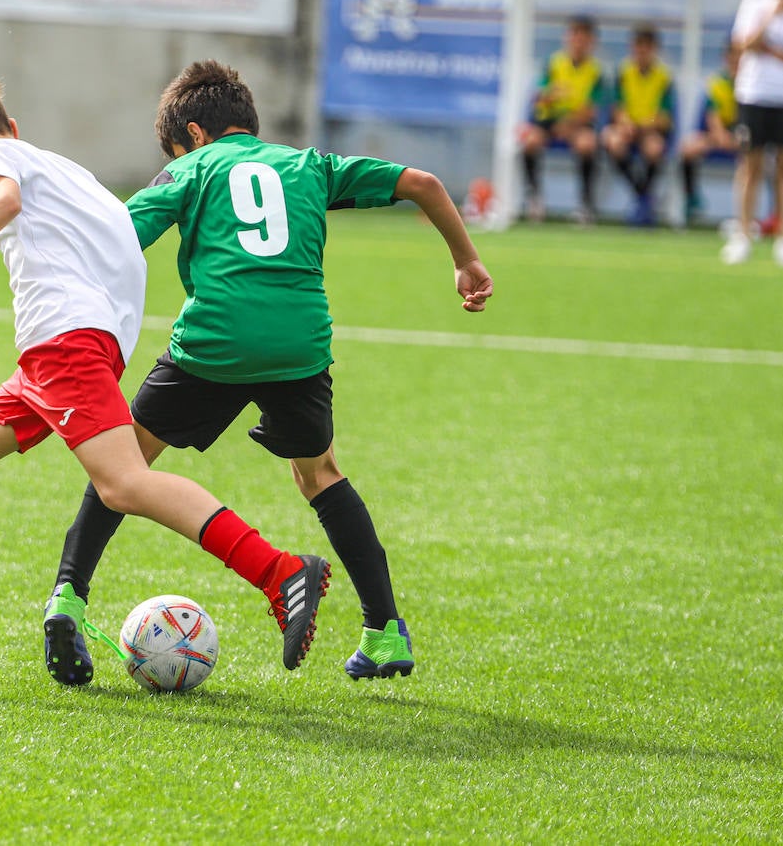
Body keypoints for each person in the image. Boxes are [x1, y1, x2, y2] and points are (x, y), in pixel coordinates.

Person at [0, 72, 331, 681]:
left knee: (123, 484)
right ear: (13, 124)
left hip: (64, 347)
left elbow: (3, 202)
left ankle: (279, 571)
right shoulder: (67, 171)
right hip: (74, 349)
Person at [41, 60, 494, 686]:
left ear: (193, 135)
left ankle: (67, 597)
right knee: (320, 474)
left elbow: (116, 238)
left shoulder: (191, 168)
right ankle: (385, 631)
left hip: (214, 342)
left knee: (122, 465)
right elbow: (423, 182)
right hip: (299, 348)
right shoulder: (310, 165)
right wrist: (466, 260)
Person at [724, 0, 783, 267]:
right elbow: (744, 44)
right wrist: (771, 16)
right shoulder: (754, 3)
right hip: (754, 94)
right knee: (751, 165)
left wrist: (771, 50)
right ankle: (743, 234)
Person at [519, 14, 606, 225]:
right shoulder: (553, 63)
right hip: (549, 123)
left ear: (591, 42)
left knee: (587, 143)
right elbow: (538, 98)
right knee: (530, 140)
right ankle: (534, 197)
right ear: (567, 37)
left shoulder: (596, 71)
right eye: (575, 35)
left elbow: (592, 110)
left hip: (575, 126)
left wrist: (568, 123)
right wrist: (550, 95)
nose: (578, 41)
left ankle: (585, 203)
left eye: (584, 37)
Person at [601, 23, 675, 227]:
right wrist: (626, 123)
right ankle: (644, 196)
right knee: (613, 141)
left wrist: (644, 124)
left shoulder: (663, 77)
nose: (642, 51)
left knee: (655, 148)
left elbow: (664, 117)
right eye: (638, 46)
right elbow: (616, 107)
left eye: (647, 46)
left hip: (649, 129)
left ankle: (643, 200)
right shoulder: (623, 72)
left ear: (654, 49)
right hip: (628, 128)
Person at [679, 41, 739, 226]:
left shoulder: (752, 85)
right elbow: (714, 122)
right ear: (726, 58)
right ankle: (691, 200)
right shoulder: (716, 84)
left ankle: (770, 215)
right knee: (688, 148)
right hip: (719, 139)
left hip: (744, 140)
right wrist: (722, 137)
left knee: (768, 156)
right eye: (733, 56)